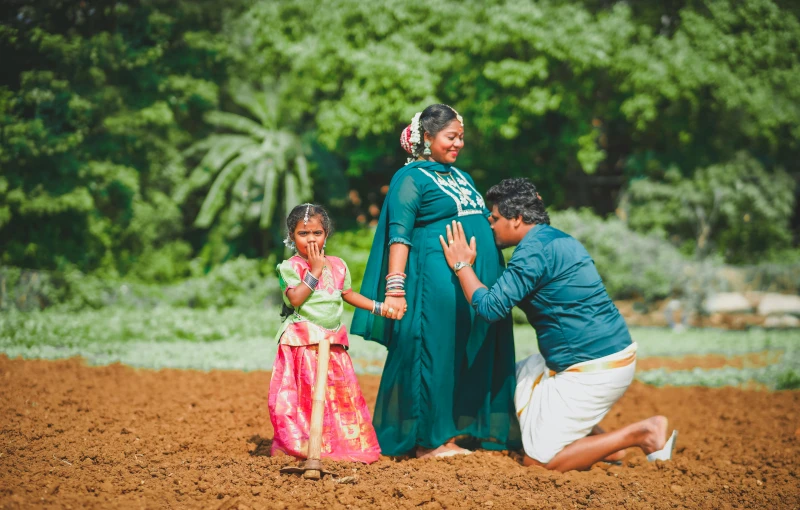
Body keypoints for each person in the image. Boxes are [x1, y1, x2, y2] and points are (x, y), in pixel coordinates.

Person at [439, 178, 678, 472]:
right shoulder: (556, 239)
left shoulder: (533, 252)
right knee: (508, 382)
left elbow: (490, 308)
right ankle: (604, 447)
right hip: (601, 355)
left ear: (517, 219)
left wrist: (462, 266)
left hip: (592, 368)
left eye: (496, 217)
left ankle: (641, 433)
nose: (490, 223)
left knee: (541, 460)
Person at [351, 104, 519, 459]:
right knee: (434, 354)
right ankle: (428, 441)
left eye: (461, 138)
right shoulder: (410, 179)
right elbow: (399, 234)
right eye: (451, 137)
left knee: (468, 352)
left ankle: (466, 430)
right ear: (427, 137)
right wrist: (394, 288)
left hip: (474, 283)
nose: (458, 144)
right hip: (434, 283)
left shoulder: (461, 177)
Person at [269, 203, 393, 463]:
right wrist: (314, 270)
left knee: (336, 396)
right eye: (303, 234)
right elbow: (295, 300)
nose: (311, 239)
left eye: (317, 233)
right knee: (304, 394)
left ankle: (334, 446)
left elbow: (347, 294)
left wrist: (380, 307)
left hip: (333, 342)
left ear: (326, 234)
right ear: (291, 236)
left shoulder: (338, 266)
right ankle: (301, 444)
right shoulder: (289, 267)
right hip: (303, 343)